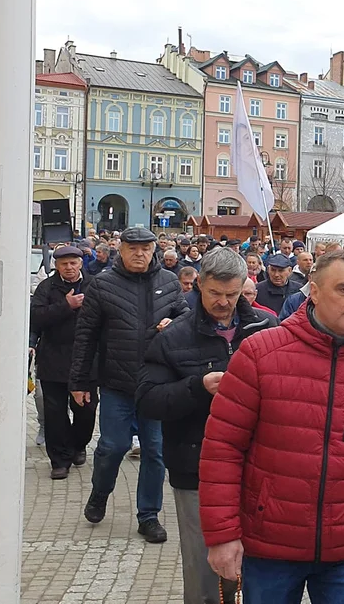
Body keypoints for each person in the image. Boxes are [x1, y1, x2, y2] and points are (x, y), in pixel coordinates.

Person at [199, 249, 344, 603]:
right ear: (313, 292)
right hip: (270, 544)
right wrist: (222, 535)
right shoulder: (259, 353)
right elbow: (222, 449)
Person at [135, 249, 276, 604]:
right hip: (194, 467)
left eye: (232, 294)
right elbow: (149, 400)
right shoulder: (173, 336)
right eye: (215, 293)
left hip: (261, 466)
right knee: (206, 569)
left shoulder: (265, 326)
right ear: (199, 285)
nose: (224, 302)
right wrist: (199, 386)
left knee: (260, 567)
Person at [69, 226, 188, 543]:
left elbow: (187, 318)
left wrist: (175, 323)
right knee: (113, 446)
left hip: (157, 385)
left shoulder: (169, 282)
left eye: (146, 248)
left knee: (155, 452)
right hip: (116, 383)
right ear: (120, 250)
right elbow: (85, 338)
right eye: (133, 248)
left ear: (154, 250)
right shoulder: (102, 285)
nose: (140, 254)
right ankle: (100, 492)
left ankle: (148, 516)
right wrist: (80, 382)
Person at [30, 245, 96, 480]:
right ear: (56, 265)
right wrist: (66, 306)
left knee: (86, 412)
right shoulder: (46, 288)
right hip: (53, 358)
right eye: (63, 264)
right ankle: (59, 460)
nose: (68, 268)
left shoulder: (94, 285)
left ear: (81, 263)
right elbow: (36, 316)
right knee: (55, 413)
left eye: (73, 263)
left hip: (87, 359)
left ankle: (78, 445)